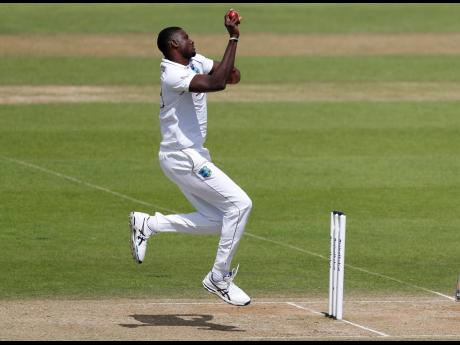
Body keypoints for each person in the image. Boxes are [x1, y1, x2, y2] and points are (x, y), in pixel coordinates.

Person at [129, 9, 252, 306]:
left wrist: (224, 61)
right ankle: (218, 277)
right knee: (240, 204)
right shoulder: (172, 74)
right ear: (174, 45)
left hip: (189, 155)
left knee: (219, 221)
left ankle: (150, 225)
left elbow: (232, 76)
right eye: (185, 37)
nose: (191, 39)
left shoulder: (194, 60)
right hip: (182, 156)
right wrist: (233, 38)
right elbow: (217, 83)